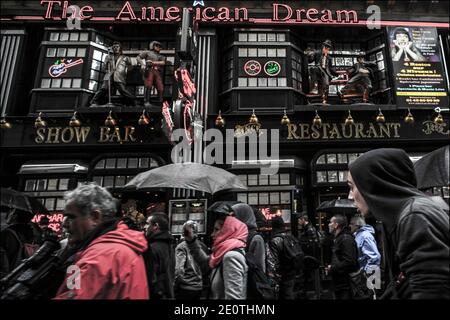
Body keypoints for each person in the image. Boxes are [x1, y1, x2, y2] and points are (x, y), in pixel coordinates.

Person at [348, 148, 449, 299]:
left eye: (352, 187)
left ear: (373, 184)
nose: (350, 196)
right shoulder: (407, 214)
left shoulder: (414, 216)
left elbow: (432, 291)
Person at [54, 183, 149, 299]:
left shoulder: (97, 258)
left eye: (72, 217)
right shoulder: (121, 244)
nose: (64, 223)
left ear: (95, 217)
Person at [185, 215, 248, 299]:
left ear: (228, 231)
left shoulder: (231, 257)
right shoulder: (222, 253)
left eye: (216, 230)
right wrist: (191, 241)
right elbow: (205, 264)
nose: (212, 234)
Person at [90, 41, 137, 106]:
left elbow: (131, 66)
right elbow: (104, 66)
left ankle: (133, 101)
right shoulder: (108, 57)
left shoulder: (125, 57)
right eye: (114, 47)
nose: (115, 48)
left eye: (117, 47)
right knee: (104, 88)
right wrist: (106, 68)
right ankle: (94, 101)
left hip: (119, 76)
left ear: (120, 48)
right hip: (109, 75)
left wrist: (125, 71)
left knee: (122, 90)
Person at [267, 216, 303, 300]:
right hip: (294, 273)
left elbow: (273, 262)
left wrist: (273, 279)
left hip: (283, 275)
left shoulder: (275, 240)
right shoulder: (291, 237)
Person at [325, 214, 359, 300]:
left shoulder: (345, 238)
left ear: (336, 225)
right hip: (339, 283)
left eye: (330, 222)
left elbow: (349, 261)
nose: (328, 224)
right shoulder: (339, 238)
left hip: (345, 285)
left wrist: (332, 268)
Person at [144, 212, 175, 299]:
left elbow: (150, 279)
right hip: (168, 293)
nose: (144, 227)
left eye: (147, 224)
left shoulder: (152, 248)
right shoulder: (169, 245)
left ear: (155, 226)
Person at [174, 220, 208, 300]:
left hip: (185, 287)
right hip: (199, 286)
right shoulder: (203, 246)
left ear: (182, 233)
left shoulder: (181, 247)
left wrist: (175, 285)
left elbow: (179, 270)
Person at [306, 39, 339, 104]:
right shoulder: (317, 53)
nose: (326, 49)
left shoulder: (329, 58)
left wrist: (336, 73)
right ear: (323, 47)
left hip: (325, 72)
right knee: (313, 68)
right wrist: (310, 55)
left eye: (328, 48)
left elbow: (330, 68)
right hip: (318, 69)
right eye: (325, 47)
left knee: (326, 84)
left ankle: (324, 98)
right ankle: (314, 88)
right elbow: (310, 61)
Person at [137, 41, 166, 105]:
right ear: (152, 46)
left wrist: (153, 62)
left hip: (157, 71)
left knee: (160, 87)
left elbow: (163, 62)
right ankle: (147, 101)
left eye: (159, 46)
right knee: (148, 85)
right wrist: (142, 64)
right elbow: (138, 57)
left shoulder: (161, 56)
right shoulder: (147, 52)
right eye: (157, 45)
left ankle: (160, 102)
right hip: (149, 69)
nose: (158, 47)